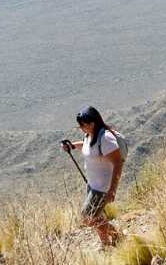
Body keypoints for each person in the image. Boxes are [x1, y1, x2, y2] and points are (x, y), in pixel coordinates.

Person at [60, 106, 123, 247]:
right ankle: (105, 243)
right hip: (93, 184)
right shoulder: (90, 135)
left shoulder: (106, 138)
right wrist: (72, 146)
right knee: (97, 216)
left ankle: (117, 235)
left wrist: (113, 189)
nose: (81, 128)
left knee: (88, 217)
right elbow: (88, 146)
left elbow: (118, 163)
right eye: (80, 126)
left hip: (102, 187)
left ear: (92, 123)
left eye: (83, 125)